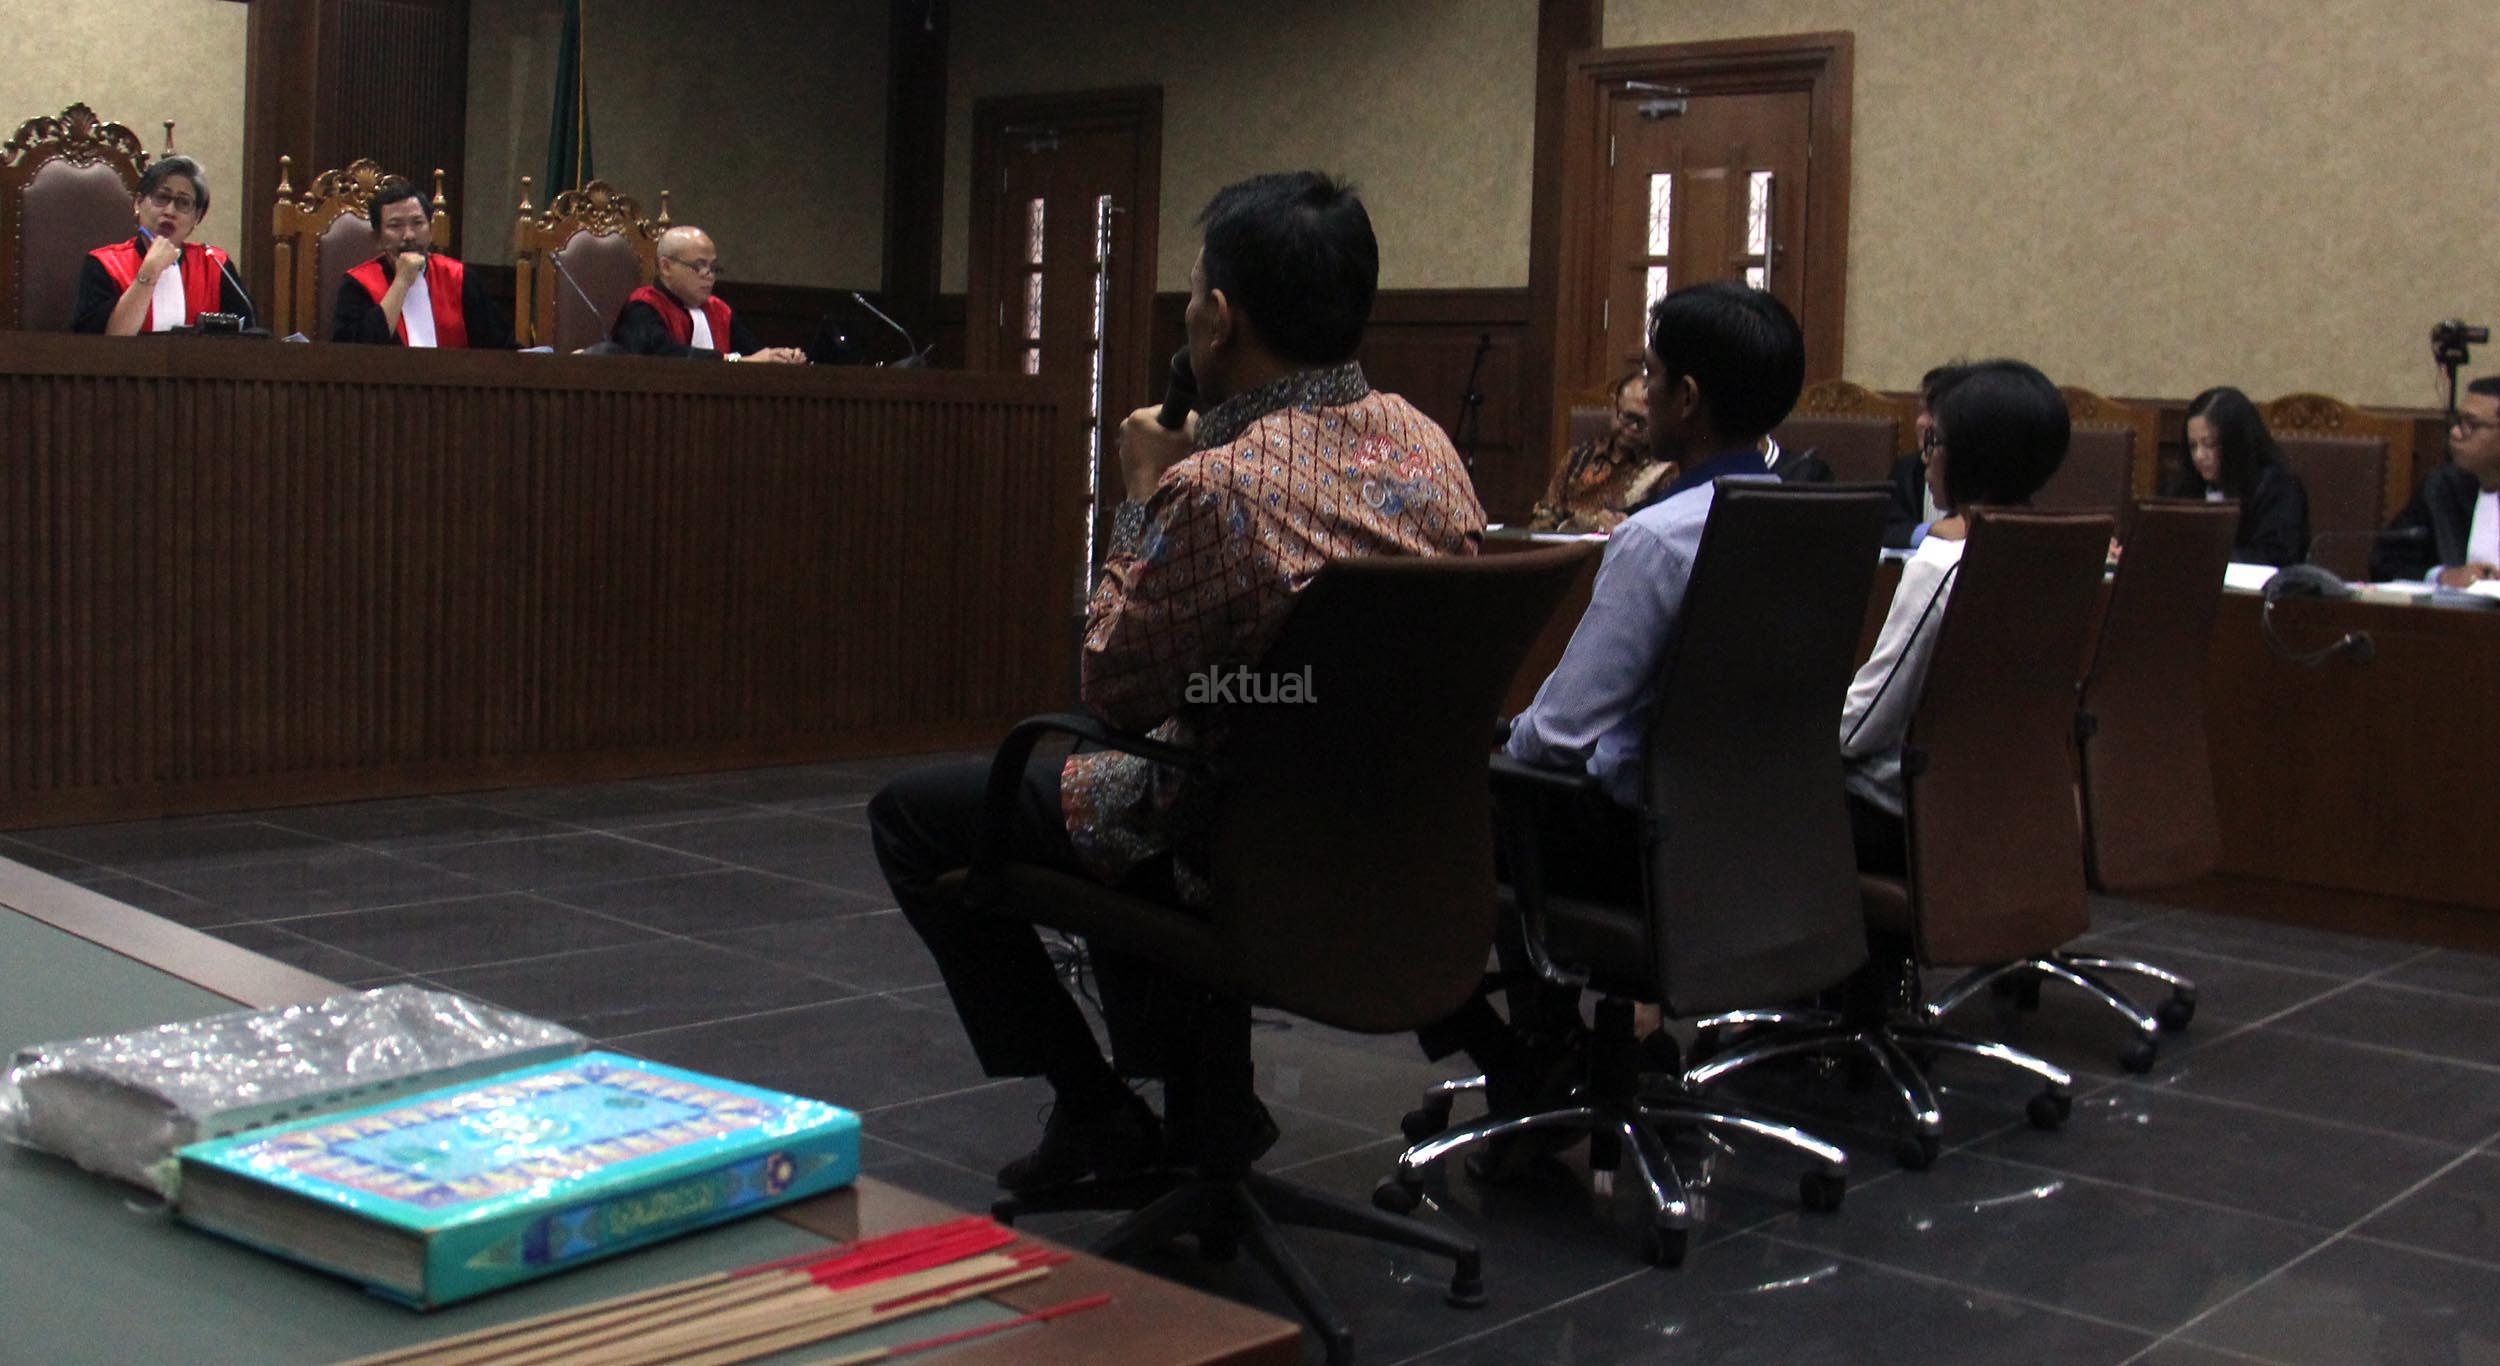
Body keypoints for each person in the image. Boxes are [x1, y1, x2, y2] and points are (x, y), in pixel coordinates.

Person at [868, 172, 1483, 1194]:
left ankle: (1095, 1107)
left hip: (1240, 848)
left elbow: (1113, 679)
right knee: (1157, 761)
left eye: (1194, 293)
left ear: (1219, 318)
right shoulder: (1429, 444)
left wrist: (1144, 488)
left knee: (918, 818)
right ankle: (1210, 1106)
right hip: (1394, 837)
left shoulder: (1216, 487)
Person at [1416, 282, 1804, 1124]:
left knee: (1422, 809)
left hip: (1630, 846)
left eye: (1653, 376)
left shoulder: (1657, 539)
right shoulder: (1807, 515)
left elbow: (1556, 738)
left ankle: (1526, 1056)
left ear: (1687, 398)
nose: (1642, 393)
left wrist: (1485, 741)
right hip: (1761, 841)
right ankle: (1559, 1050)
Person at [1841, 360, 2070, 876]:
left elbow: (1860, 730)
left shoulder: (1944, 564)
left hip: (1908, 814)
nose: (1925, 459)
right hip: (2012, 803)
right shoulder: (2060, 550)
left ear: (1971, 455)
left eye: (1933, 443)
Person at [73, 156, 253, 335]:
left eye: (183, 203)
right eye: (161, 197)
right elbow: (104, 343)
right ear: (138, 203)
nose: (170, 211)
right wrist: (149, 272)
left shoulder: (214, 264)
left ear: (196, 217)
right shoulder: (105, 264)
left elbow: (249, 336)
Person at [331, 177, 514, 348]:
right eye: (395, 225)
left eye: (417, 223)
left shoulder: (460, 278)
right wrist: (402, 281)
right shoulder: (358, 285)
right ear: (377, 238)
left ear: (431, 231)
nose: (409, 235)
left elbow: (501, 349)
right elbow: (353, 355)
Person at [2372, 375, 2500, 585]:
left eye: (2471, 424)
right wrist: (2443, 576)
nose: (2455, 433)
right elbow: (2385, 562)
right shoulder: (2443, 487)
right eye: (2457, 422)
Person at [2162, 386, 2309, 566]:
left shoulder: (2278, 488)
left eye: (2210, 444)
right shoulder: (2180, 488)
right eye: (2193, 446)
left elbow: (2274, 557)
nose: (2199, 456)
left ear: (2236, 443)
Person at [610, 226, 805, 362]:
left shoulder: (719, 310)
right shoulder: (643, 306)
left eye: (713, 267)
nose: (709, 275)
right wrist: (733, 360)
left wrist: (780, 357)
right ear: (666, 267)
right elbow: (661, 356)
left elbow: (755, 353)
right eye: (699, 266)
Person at [1526, 371, 1673, 532]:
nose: (1633, 428)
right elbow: (1543, 516)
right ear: (1614, 406)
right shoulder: (1579, 457)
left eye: (1643, 423)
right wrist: (1581, 525)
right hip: (1564, 543)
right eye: (1628, 417)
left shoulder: (1663, 471)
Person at [1880, 364, 1969, 548]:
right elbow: (1882, 527)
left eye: (1932, 413)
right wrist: (1929, 531)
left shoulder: (1981, 482)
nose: (1920, 422)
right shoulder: (1906, 468)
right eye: (1922, 411)